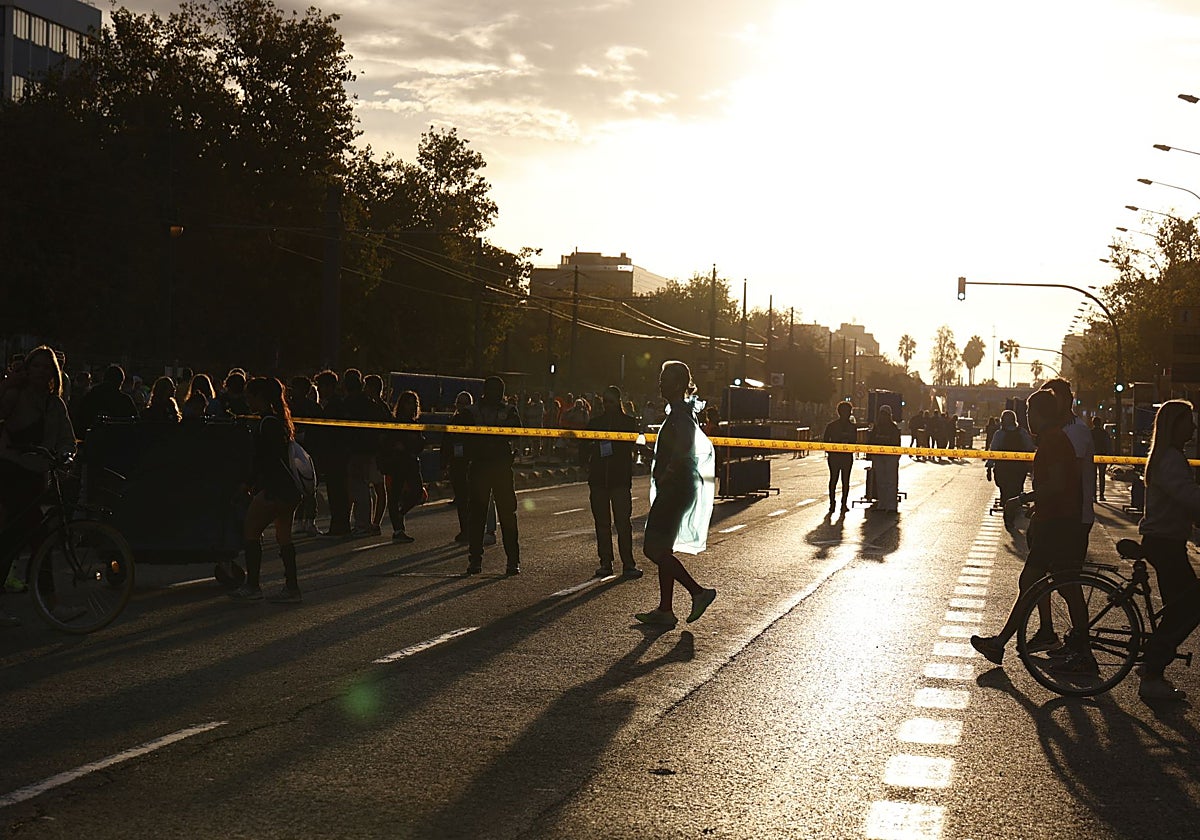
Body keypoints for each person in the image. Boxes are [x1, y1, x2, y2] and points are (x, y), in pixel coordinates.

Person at [970, 389, 1088, 666]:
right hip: (1057, 519)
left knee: (1040, 584)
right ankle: (1076, 647)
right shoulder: (1053, 438)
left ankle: (1002, 643)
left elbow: (1057, 484)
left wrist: (1023, 499)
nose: (1027, 419)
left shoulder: (1053, 441)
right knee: (1060, 586)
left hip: (1056, 524)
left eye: (1029, 413)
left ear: (1039, 413)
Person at [0, 346, 80, 627]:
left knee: (17, 541)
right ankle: (52, 604)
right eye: (36, 365)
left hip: (36, 478)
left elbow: (67, 438)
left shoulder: (55, 405)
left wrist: (67, 457)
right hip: (12, 474)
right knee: (37, 540)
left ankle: (51, 604)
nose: (41, 371)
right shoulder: (14, 396)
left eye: (47, 367)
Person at [634, 361, 717, 627]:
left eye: (666, 379)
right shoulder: (679, 412)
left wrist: (668, 473)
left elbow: (684, 449)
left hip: (676, 489)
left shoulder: (681, 414)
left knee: (653, 548)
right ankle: (665, 610)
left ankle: (698, 592)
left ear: (679, 384)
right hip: (676, 487)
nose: (661, 383)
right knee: (664, 549)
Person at [1134, 400, 1200, 701]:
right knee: (1187, 608)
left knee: (1180, 605)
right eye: (1188, 421)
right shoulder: (1171, 459)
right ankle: (1152, 672)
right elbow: (1187, 495)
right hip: (1165, 542)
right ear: (1175, 425)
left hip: (1165, 540)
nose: (1193, 427)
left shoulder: (1167, 456)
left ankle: (1153, 661)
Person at [228, 377, 303, 603]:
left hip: (273, 487)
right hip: (290, 488)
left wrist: (248, 484)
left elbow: (262, 461)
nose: (248, 401)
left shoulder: (265, 424)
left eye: (250, 396)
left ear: (259, 396)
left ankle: (253, 585)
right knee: (284, 536)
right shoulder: (281, 421)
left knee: (251, 531)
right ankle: (292, 587)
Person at [464, 376, 522, 575]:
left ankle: (512, 560)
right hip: (481, 465)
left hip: (500, 466)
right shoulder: (472, 411)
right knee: (478, 516)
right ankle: (475, 560)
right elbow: (460, 434)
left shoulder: (508, 410)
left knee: (506, 514)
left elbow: (517, 430)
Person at [585, 385, 644, 579]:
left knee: (623, 523)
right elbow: (584, 446)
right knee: (602, 523)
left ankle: (628, 563)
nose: (607, 405)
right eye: (605, 402)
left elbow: (634, 445)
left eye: (610, 402)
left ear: (618, 402)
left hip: (619, 479)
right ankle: (605, 562)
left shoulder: (628, 423)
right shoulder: (595, 423)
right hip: (598, 479)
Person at [379, 390, 425, 544]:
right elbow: (388, 443)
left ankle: (401, 512)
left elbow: (418, 445)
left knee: (417, 492)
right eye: (408, 403)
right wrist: (396, 447)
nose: (410, 406)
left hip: (411, 462)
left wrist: (417, 443)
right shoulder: (395, 423)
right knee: (395, 494)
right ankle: (398, 529)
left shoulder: (414, 424)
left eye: (413, 403)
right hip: (397, 463)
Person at [986, 409, 1034, 530]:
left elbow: (993, 451)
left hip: (1002, 469)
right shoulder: (1022, 433)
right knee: (1017, 489)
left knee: (1004, 489)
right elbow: (1029, 448)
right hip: (1019, 469)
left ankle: (1007, 509)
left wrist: (989, 467)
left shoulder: (999, 434)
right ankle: (1014, 509)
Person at [287, 376, 323, 536]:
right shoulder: (289, 406)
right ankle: (298, 520)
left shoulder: (312, 408)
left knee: (309, 485)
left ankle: (309, 520)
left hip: (309, 450)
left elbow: (319, 431)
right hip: (293, 449)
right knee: (296, 486)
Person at [74, 364, 138, 439]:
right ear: (120, 383)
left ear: (104, 378)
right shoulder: (125, 401)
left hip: (93, 440)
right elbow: (136, 423)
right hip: (119, 441)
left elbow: (79, 421)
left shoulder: (91, 396)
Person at [822, 401, 858, 513]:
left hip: (844, 456)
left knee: (844, 480)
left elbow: (854, 441)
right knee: (835, 479)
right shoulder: (832, 426)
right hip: (836, 456)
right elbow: (825, 441)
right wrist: (831, 451)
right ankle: (833, 503)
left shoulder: (851, 427)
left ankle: (843, 504)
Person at [868, 404, 901, 512]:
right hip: (878, 457)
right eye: (882, 414)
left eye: (885, 414)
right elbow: (872, 441)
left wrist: (896, 455)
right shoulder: (876, 428)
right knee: (880, 481)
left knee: (891, 481)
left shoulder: (893, 428)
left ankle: (891, 505)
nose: (883, 416)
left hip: (890, 457)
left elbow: (897, 443)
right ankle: (882, 503)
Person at [1090, 416, 1111, 501]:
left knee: (1093, 477)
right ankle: (1101, 495)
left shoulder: (1090, 433)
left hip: (1093, 456)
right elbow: (1108, 445)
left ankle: (1094, 495)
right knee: (1102, 476)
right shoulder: (1104, 433)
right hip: (1103, 456)